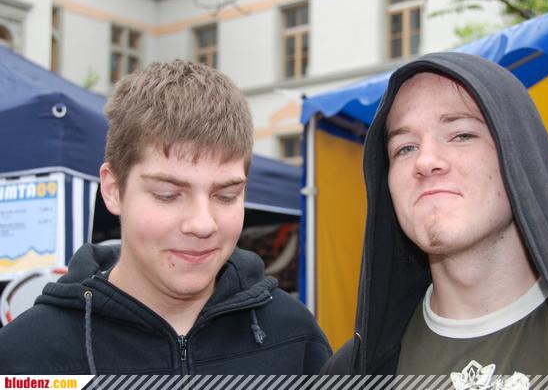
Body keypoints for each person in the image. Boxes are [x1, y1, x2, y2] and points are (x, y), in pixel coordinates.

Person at [0, 60, 331, 374]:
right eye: (167, 194)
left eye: (226, 196)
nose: (202, 224)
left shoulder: (294, 335)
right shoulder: (26, 356)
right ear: (113, 189)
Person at [323, 52, 548, 377]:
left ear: (520, 154)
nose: (425, 161)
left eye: (461, 135)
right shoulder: (347, 374)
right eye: (405, 148)